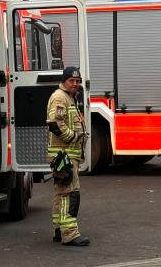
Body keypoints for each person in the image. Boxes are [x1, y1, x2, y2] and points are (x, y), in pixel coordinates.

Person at [47, 66, 90, 246]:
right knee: (70, 194)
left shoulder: (70, 98)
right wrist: (73, 137)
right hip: (64, 155)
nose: (75, 84)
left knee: (61, 193)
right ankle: (70, 234)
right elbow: (55, 124)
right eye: (71, 81)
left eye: (77, 81)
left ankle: (59, 230)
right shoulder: (60, 97)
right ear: (64, 81)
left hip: (67, 155)